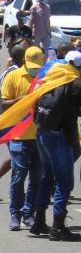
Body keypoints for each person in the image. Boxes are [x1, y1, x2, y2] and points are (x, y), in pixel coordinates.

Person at [31, 51, 81, 241]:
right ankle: (58, 227)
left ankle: (38, 221)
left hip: (42, 132)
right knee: (64, 182)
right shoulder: (75, 83)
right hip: (60, 136)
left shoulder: (50, 76)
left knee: (47, 177)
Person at [0, 46, 43, 232]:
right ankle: (14, 214)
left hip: (40, 138)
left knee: (36, 179)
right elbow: (3, 103)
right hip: (19, 135)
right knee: (18, 177)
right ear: (25, 61)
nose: (35, 69)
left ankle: (28, 213)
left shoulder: (45, 78)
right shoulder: (13, 76)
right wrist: (22, 99)